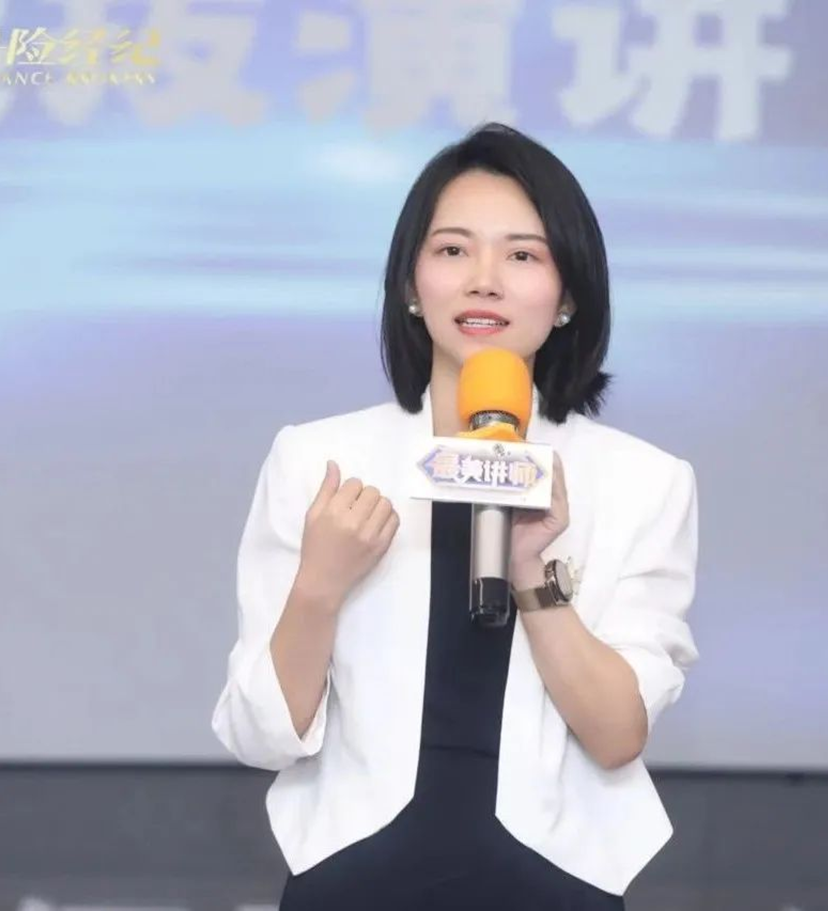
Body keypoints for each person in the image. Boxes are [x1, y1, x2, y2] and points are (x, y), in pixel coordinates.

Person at [211, 123, 699, 910]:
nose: (484, 281)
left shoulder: (644, 481)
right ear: (411, 284)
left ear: (568, 295)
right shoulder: (319, 460)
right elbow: (258, 734)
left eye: (523, 255)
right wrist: (319, 586)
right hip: (355, 870)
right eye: (452, 250)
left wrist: (533, 574)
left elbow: (617, 735)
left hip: (556, 875)